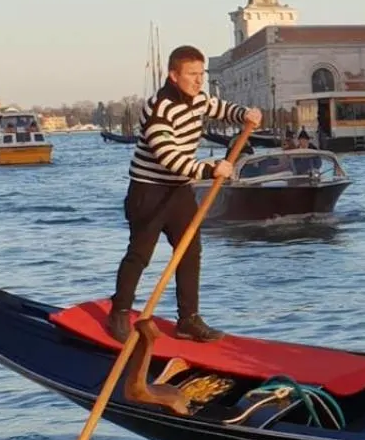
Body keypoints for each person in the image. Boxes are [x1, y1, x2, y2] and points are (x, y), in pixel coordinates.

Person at [107, 45, 261, 343]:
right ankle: (119, 312)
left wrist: (245, 114)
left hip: (179, 191)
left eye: (201, 74)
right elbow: (168, 156)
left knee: (190, 252)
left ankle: (188, 320)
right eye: (192, 75)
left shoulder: (199, 98)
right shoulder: (158, 108)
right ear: (174, 75)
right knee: (140, 254)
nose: (199, 80)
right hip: (148, 190)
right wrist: (209, 169)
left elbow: (219, 108)